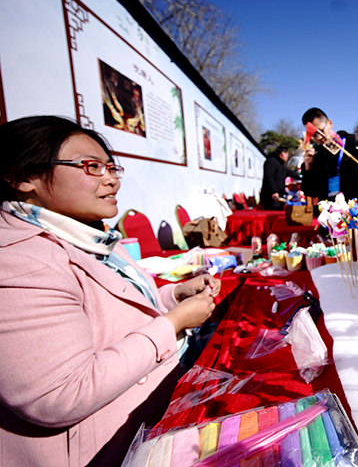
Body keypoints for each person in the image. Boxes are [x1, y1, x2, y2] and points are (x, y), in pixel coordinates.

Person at [0, 116, 221, 466]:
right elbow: (60, 394)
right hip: (104, 451)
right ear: (23, 177)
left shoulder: (90, 236)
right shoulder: (19, 260)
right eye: (90, 166)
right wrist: (173, 323)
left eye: (111, 167)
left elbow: (111, 315)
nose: (112, 179)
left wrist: (174, 296)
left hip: (151, 424)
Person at [299, 107, 355, 208]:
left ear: (330, 123)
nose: (319, 137)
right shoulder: (317, 155)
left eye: (321, 131)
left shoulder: (353, 143)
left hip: (353, 208)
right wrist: (308, 168)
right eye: (314, 135)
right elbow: (310, 192)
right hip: (329, 211)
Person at [259, 146, 297, 210]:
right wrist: (274, 191)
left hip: (280, 194)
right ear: (282, 154)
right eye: (287, 154)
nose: (287, 157)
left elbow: (289, 172)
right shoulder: (271, 161)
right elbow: (269, 177)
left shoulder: (280, 164)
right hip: (272, 196)